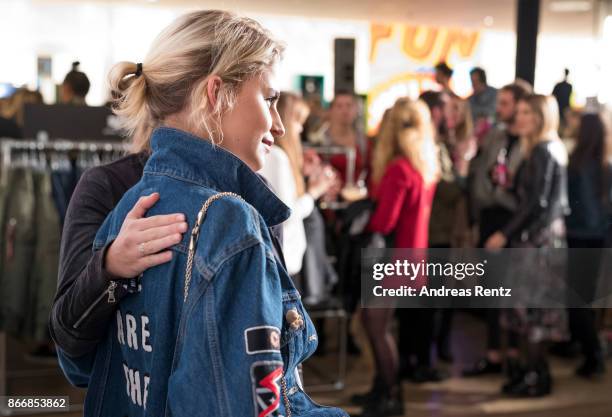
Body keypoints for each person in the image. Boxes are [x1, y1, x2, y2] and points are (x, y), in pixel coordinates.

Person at [54, 10, 348, 416]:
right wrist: (106, 270)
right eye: (269, 98)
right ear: (216, 93)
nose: (278, 125)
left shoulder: (133, 204)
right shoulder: (231, 220)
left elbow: (87, 366)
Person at [356, 98, 439, 416]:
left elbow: (384, 222)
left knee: (376, 328)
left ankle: (390, 395)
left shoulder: (398, 169)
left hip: (392, 261)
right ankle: (383, 390)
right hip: (413, 256)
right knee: (380, 327)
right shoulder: (422, 165)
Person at [485, 94, 569, 397]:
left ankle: (535, 378)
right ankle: (533, 375)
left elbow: (536, 204)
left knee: (532, 314)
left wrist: (504, 234)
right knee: (532, 313)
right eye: (517, 112)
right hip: (544, 239)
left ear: (539, 117)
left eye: (524, 113)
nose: (518, 118)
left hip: (538, 243)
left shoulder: (544, 151)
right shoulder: (547, 149)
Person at [464, 81, 532, 377]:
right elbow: (482, 176)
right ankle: (493, 355)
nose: (499, 109)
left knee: (514, 292)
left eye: (505, 104)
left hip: (513, 224)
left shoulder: (532, 144)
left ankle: (515, 358)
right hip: (491, 217)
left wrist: (500, 192)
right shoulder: (496, 136)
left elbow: (525, 195)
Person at [259, 92, 335, 277]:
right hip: (284, 260)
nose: (301, 129)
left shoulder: (277, 155)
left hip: (284, 258)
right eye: (298, 121)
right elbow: (286, 214)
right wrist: (313, 193)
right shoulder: (276, 156)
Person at [566, 112, 610, 378]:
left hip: (579, 236)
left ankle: (593, 352)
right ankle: (586, 347)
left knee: (576, 299)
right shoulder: (605, 165)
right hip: (598, 238)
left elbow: (574, 206)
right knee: (585, 298)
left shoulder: (577, 165)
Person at [323, 91, 371, 186]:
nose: (345, 110)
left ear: (356, 109)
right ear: (330, 110)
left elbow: (370, 173)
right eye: (339, 106)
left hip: (357, 197)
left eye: (349, 105)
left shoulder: (363, 142)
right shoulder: (319, 141)